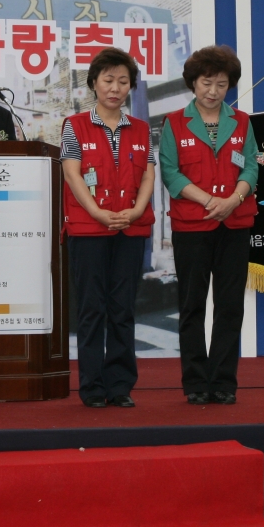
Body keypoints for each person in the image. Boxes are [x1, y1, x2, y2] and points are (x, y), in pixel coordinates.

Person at [158, 45, 259, 405]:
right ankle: (195, 382)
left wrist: (233, 199)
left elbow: (251, 166)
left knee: (230, 305)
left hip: (235, 224)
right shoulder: (173, 122)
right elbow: (170, 171)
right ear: (193, 83)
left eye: (221, 84)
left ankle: (224, 381)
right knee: (192, 305)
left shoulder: (243, 122)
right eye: (206, 83)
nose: (213, 91)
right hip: (192, 225)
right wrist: (207, 200)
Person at [62, 47, 156, 408]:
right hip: (89, 229)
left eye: (122, 81)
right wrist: (98, 213)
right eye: (108, 80)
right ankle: (92, 386)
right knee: (91, 308)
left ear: (130, 86)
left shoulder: (142, 128)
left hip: (130, 229)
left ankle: (120, 385)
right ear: (94, 84)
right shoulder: (75, 126)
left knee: (122, 308)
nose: (115, 88)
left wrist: (135, 210)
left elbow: (148, 174)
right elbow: (72, 174)